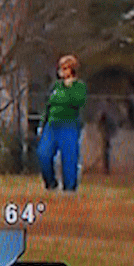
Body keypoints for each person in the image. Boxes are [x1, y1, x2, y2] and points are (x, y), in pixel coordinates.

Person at [38, 54, 88, 192]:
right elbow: (49, 106)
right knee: (44, 154)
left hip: (69, 125)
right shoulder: (56, 86)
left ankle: (69, 189)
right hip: (52, 125)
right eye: (61, 68)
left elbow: (78, 102)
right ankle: (50, 183)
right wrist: (43, 124)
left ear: (72, 70)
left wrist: (68, 89)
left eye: (66, 68)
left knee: (69, 158)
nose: (63, 71)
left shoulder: (79, 86)